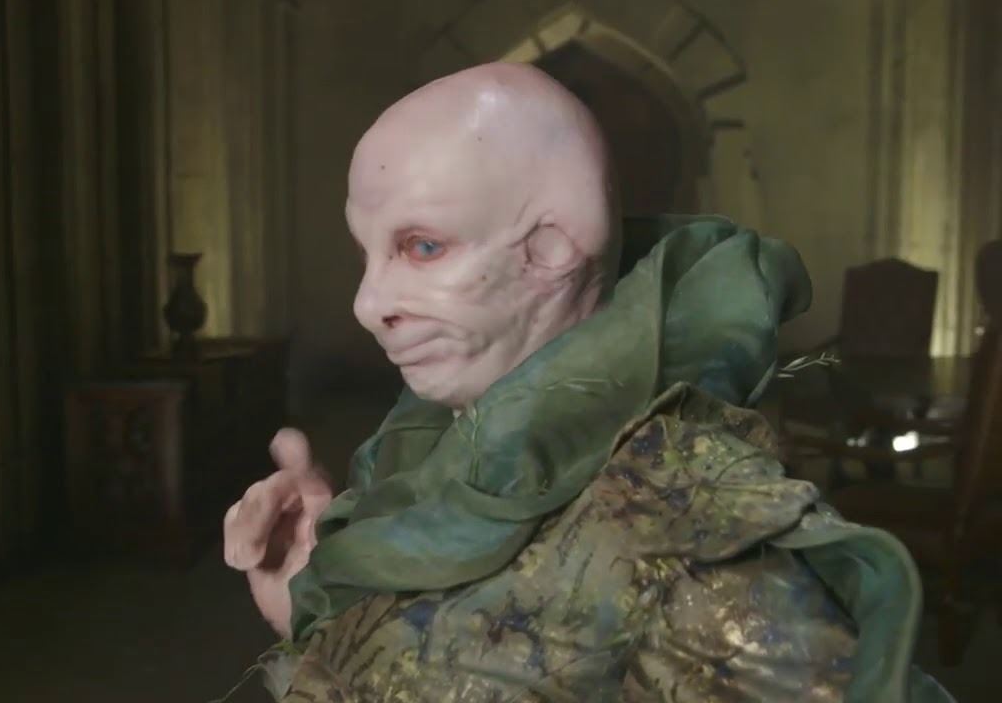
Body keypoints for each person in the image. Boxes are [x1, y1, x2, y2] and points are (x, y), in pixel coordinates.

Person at [223, 62, 952, 702]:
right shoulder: (431, 460)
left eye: (422, 246)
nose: (367, 304)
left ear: (551, 247)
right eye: (367, 252)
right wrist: (313, 607)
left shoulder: (686, 535)